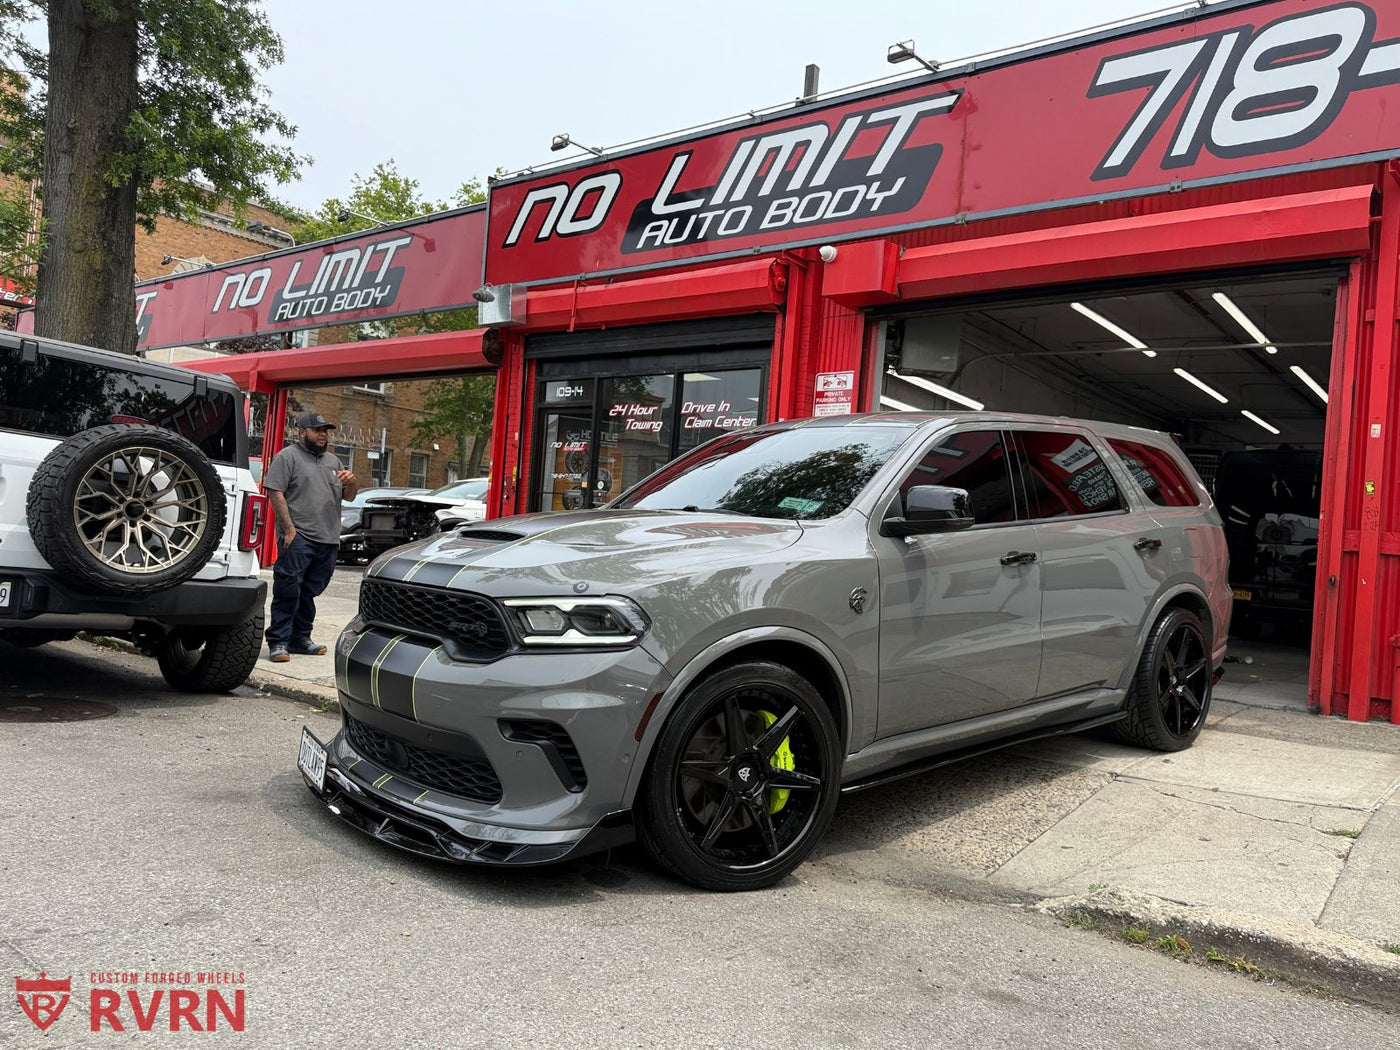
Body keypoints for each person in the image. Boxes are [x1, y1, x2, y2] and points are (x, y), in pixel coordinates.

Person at [262, 413, 357, 662]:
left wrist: (352, 483)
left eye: (325, 430)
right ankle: (279, 641)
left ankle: (301, 639)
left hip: (328, 539)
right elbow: (275, 493)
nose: (323, 434)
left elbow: (349, 497)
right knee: (288, 589)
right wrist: (289, 530)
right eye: (317, 430)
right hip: (299, 536)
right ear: (302, 432)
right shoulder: (287, 457)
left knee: (310, 592)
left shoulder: (334, 461)